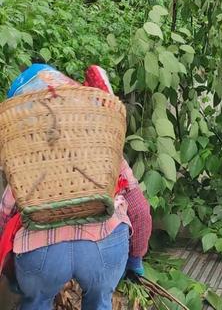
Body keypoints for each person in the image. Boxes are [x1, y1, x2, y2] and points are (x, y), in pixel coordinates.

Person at [0, 64, 152, 310]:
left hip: (41, 254)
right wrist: (135, 259)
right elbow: (139, 209)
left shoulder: (25, 158)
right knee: (100, 300)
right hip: (105, 246)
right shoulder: (104, 148)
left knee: (36, 301)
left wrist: (12, 271)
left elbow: (4, 216)